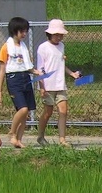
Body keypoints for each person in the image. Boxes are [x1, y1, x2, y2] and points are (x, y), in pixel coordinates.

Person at [0, 16, 42, 148]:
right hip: (13, 79)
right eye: (22, 31)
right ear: (14, 31)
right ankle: (12, 132)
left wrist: (37, 72)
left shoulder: (23, 47)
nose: (24, 34)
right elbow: (2, 69)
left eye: (26, 31)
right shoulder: (6, 47)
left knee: (25, 113)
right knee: (23, 109)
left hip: (25, 78)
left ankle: (18, 140)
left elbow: (27, 67)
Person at [35, 19, 81, 147]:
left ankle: (62, 140)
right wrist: (42, 87)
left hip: (60, 84)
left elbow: (61, 63)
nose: (59, 37)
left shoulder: (61, 46)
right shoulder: (43, 48)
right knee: (48, 112)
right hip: (48, 85)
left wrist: (72, 74)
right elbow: (40, 69)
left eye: (61, 35)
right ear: (49, 34)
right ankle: (40, 136)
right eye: (56, 34)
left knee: (63, 111)